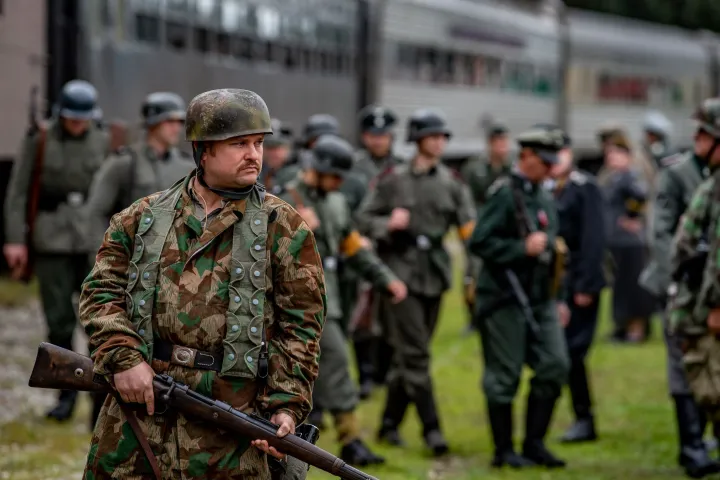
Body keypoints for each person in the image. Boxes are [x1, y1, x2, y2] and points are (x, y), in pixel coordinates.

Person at [79, 88, 326, 479]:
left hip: (231, 422)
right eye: (239, 143)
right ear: (203, 150)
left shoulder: (284, 227)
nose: (254, 155)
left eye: (259, 143)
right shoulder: (142, 217)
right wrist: (123, 357)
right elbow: (100, 292)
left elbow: (301, 326)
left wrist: (284, 405)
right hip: (139, 413)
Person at [277, 134, 407, 466]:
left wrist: (385, 279)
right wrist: (300, 230)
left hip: (331, 298)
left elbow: (352, 247)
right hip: (293, 302)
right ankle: (347, 440)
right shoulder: (283, 201)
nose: (339, 183)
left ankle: (330, 441)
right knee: (332, 367)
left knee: (325, 367)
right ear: (317, 171)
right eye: (334, 176)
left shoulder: (335, 202)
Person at [356, 108, 476, 455]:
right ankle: (433, 430)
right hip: (400, 276)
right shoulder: (394, 179)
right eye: (433, 136)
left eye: (442, 137)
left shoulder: (452, 182)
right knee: (417, 356)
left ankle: (389, 424)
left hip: (435, 276)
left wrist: (475, 272)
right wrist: (386, 225)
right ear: (418, 140)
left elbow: (469, 230)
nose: (440, 142)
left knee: (407, 360)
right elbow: (362, 218)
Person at [84, 91, 193, 428]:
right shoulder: (124, 163)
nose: (176, 128)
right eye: (170, 121)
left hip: (169, 279)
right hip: (127, 272)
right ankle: (100, 414)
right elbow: (96, 212)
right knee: (114, 344)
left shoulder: (185, 167)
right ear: (153, 125)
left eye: (179, 121)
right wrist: (103, 262)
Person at [3, 79, 111, 422]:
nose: (78, 124)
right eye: (72, 118)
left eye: (83, 118)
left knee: (98, 318)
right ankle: (66, 394)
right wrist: (14, 239)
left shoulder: (104, 139)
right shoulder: (41, 137)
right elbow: (18, 191)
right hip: (51, 238)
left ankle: (100, 394)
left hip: (92, 238)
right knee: (59, 321)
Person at [469, 125, 570, 469]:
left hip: (540, 297)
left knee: (555, 365)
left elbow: (556, 251)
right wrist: (519, 248)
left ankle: (534, 444)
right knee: (504, 376)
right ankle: (503, 451)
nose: (551, 168)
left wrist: (560, 297)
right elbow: (479, 242)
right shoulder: (504, 193)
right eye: (544, 161)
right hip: (503, 299)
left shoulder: (543, 194)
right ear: (526, 157)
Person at [645, 98, 720, 478]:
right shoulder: (677, 174)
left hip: (711, 287)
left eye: (706, 133)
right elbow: (661, 233)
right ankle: (690, 445)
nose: (699, 139)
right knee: (683, 360)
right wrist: (677, 278)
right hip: (681, 283)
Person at [544, 127, 606, 444]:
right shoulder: (549, 188)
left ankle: (585, 418)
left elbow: (594, 240)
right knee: (561, 351)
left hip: (580, 281)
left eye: (560, 151)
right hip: (557, 283)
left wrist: (586, 285)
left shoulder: (585, 188)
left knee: (573, 351)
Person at [349, 105, 405, 399]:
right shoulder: (353, 167)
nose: (379, 140)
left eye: (383, 135)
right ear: (364, 136)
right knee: (364, 316)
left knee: (390, 312)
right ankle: (366, 375)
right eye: (373, 134)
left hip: (395, 251)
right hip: (360, 248)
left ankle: (384, 370)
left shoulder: (401, 168)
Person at [600, 133, 656, 343]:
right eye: (609, 154)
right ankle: (622, 327)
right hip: (617, 242)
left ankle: (636, 329)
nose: (611, 158)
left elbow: (641, 197)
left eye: (615, 153)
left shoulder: (630, 176)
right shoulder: (613, 177)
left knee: (634, 289)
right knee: (620, 288)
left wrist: (632, 217)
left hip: (631, 242)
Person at [460, 122, 513, 333]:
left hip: (502, 230)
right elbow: (466, 200)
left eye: (504, 142)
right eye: (498, 143)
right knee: (472, 273)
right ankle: (473, 317)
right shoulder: (475, 169)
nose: (502, 147)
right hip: (479, 227)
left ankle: (496, 314)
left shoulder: (511, 169)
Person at [260, 119, 299, 195]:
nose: (274, 153)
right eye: (270, 148)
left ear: (288, 149)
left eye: (278, 148)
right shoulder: (254, 173)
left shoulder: (297, 175)